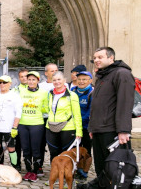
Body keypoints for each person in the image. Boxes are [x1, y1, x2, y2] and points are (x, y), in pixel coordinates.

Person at [88, 47, 135, 179]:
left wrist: (124, 130)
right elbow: (97, 105)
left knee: (114, 168)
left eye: (100, 57)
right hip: (99, 130)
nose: (96, 60)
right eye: (95, 58)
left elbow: (125, 103)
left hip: (112, 131)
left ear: (111, 58)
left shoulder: (122, 73)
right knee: (101, 167)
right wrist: (92, 127)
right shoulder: (103, 76)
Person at [18, 71, 48, 182]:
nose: (31, 82)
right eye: (29, 79)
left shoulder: (44, 93)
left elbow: (46, 109)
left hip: (37, 124)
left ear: (38, 80)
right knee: (25, 149)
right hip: (23, 123)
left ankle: (35, 171)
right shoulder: (21, 91)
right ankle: (28, 171)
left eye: (33, 79)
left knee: (36, 149)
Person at [45, 71, 83, 161]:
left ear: (64, 80)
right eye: (54, 80)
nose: (57, 82)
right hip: (51, 126)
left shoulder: (72, 95)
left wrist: (79, 132)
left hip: (67, 127)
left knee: (66, 153)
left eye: (59, 79)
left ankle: (66, 173)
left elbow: (77, 114)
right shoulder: (49, 94)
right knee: (53, 152)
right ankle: (55, 172)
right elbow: (47, 109)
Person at [72, 70, 93, 156]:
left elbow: (90, 111)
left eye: (84, 79)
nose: (81, 81)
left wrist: (79, 121)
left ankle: (84, 168)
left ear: (90, 80)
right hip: (73, 126)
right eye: (79, 79)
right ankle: (75, 166)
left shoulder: (92, 93)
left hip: (86, 126)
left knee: (86, 149)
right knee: (75, 148)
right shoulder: (73, 91)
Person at [12, 68, 29, 171]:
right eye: (21, 76)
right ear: (19, 78)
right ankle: (17, 164)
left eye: (26, 76)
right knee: (17, 145)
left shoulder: (35, 88)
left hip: (30, 121)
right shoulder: (15, 89)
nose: (24, 78)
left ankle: (29, 164)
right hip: (18, 121)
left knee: (28, 146)